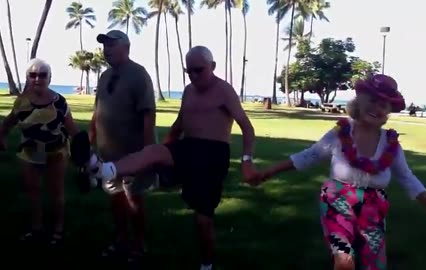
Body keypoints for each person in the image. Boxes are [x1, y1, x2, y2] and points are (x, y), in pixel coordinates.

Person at [248, 74, 426, 270]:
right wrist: (268, 172)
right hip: (337, 200)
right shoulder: (341, 133)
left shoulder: (390, 144)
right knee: (345, 261)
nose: (376, 108)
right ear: (359, 100)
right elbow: (309, 156)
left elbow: (408, 178)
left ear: (388, 111)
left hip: (374, 208)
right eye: (371, 100)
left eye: (383, 105)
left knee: (375, 265)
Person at [87, 45, 256, 270]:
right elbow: (180, 124)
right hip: (188, 146)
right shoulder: (188, 91)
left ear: (213, 67)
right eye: (190, 72)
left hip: (212, 154)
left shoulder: (224, 91)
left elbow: (247, 127)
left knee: (203, 220)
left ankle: (207, 265)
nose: (194, 76)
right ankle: (103, 170)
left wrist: (246, 160)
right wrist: (165, 147)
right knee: (153, 151)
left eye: (199, 70)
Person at [92, 30, 157, 264]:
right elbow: (98, 109)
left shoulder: (139, 75)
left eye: (111, 44)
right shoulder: (104, 76)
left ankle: (139, 246)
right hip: (107, 155)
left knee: (134, 200)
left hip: (133, 153)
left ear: (126, 47)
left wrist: (147, 153)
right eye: (104, 45)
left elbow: (148, 114)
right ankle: (120, 241)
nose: (106, 49)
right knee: (115, 199)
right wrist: (92, 137)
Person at [0, 58, 79, 247]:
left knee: (56, 191)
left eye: (42, 75)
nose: (37, 79)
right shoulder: (22, 102)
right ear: (27, 78)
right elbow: (9, 122)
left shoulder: (59, 102)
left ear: (49, 78)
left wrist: (82, 151)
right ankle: (37, 229)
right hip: (30, 152)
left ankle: (58, 230)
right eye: (32, 75)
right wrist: (1, 136)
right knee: (33, 191)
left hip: (56, 152)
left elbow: (72, 130)